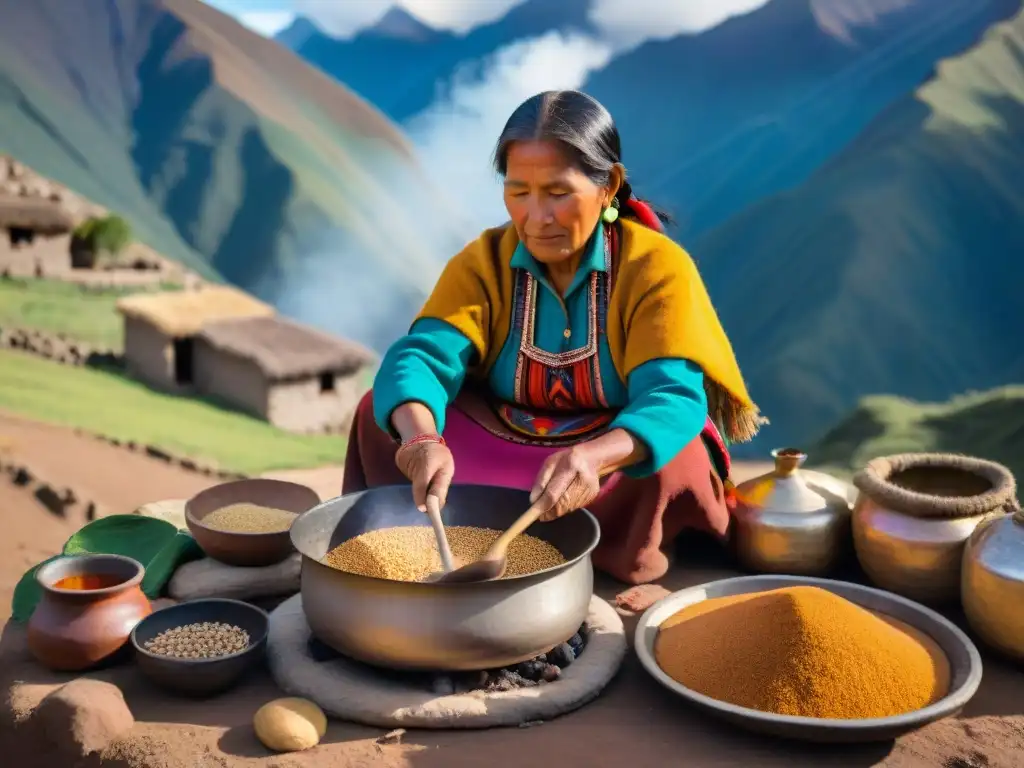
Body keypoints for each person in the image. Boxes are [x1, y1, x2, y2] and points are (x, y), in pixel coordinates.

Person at [344, 90, 765, 585]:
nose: (536, 217)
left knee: (673, 460)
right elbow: (422, 357)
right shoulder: (484, 262)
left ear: (607, 186)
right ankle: (420, 534)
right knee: (383, 412)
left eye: (558, 193)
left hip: (610, 456)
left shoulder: (655, 268)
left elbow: (673, 395)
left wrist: (593, 457)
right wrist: (420, 439)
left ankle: (608, 551)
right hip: (501, 440)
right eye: (519, 192)